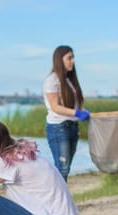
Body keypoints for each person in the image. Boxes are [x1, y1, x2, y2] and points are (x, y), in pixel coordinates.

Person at [43, 45, 90, 182]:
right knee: (62, 168)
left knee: (66, 168)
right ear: (59, 60)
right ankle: (56, 200)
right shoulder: (51, 80)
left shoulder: (69, 80)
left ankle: (60, 199)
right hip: (58, 127)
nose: (72, 61)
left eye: (73, 57)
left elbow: (76, 102)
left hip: (72, 127)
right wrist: (77, 113)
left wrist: (82, 111)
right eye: (69, 58)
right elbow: (55, 107)